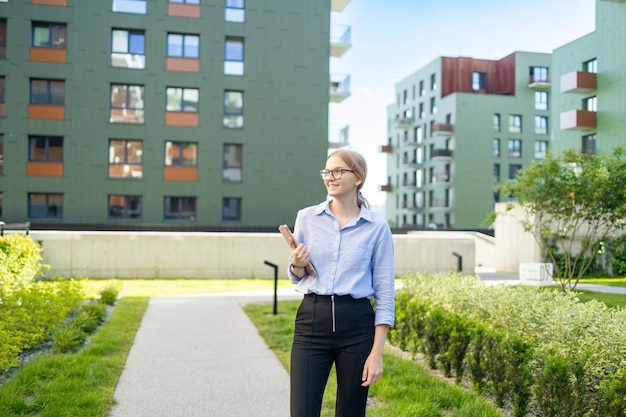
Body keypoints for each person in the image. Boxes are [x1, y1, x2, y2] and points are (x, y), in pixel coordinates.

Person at [287, 149, 395, 417]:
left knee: (351, 412)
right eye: (326, 172)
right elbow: (295, 275)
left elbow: (385, 292)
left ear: (357, 177)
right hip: (312, 320)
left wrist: (377, 353)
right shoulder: (307, 218)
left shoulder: (377, 227)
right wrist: (297, 265)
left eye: (337, 171)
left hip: (357, 327)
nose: (329, 177)